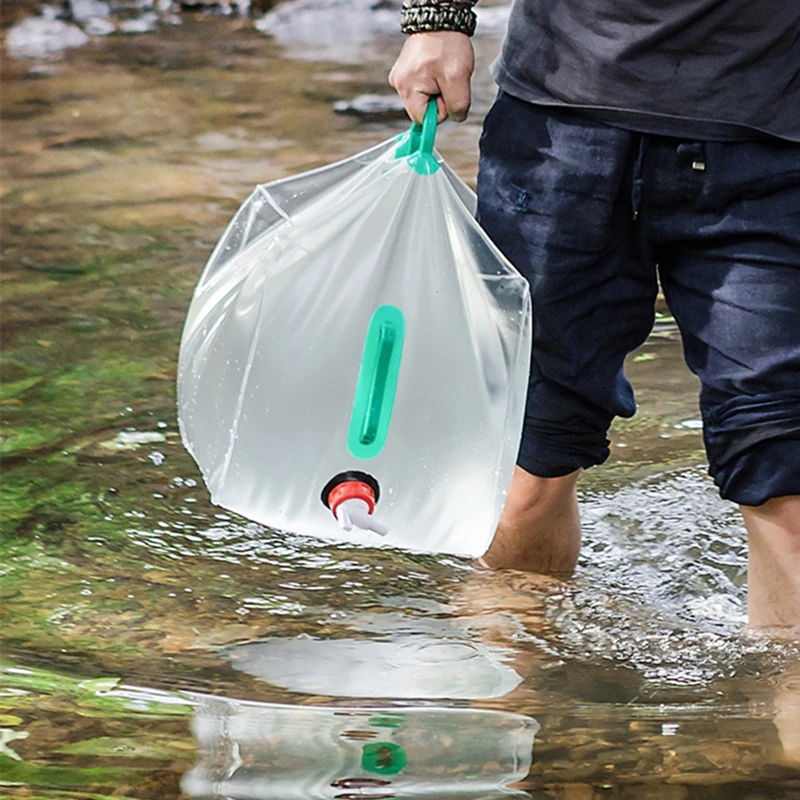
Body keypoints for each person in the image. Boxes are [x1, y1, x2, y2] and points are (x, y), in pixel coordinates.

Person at [388, 0, 800, 628]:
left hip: (773, 139)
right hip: (559, 132)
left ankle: (774, 706)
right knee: (530, 465)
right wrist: (437, 18)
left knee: (784, 472)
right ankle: (516, 707)